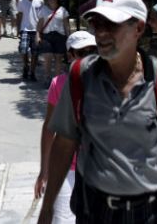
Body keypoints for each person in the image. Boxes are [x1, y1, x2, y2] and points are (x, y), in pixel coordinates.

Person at [38, 0, 157, 224]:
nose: (101, 33)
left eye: (112, 25)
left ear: (138, 28)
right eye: (97, 24)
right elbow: (65, 142)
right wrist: (47, 208)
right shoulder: (80, 77)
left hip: (149, 214)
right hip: (94, 210)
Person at [34, 31, 97, 224]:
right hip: (66, 166)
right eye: (82, 52)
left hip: (97, 165)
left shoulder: (106, 81)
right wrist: (44, 170)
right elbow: (49, 128)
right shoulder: (59, 84)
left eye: (92, 51)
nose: (88, 57)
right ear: (70, 55)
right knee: (62, 219)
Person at [37, 0, 70, 85]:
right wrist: (37, 36)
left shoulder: (63, 11)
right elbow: (39, 25)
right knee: (47, 56)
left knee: (58, 58)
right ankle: (47, 77)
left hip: (60, 36)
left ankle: (56, 80)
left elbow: (66, 26)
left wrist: (69, 39)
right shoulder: (44, 10)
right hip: (47, 36)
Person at [17, 0, 44, 81]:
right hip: (24, 29)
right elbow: (19, 15)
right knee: (23, 49)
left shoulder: (40, 1)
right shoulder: (21, 1)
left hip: (36, 30)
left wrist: (41, 31)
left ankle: (32, 72)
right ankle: (25, 66)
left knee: (35, 52)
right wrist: (18, 28)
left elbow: (42, 17)